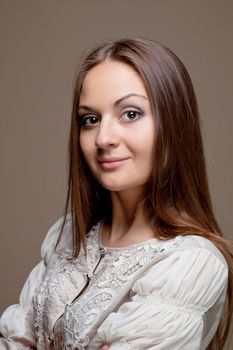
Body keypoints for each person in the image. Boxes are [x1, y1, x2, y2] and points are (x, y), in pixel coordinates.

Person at [0, 37, 232, 350]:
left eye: (131, 113)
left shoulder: (189, 262)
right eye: (90, 119)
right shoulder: (68, 233)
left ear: (173, 123)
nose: (103, 138)